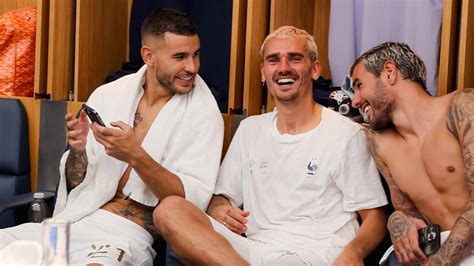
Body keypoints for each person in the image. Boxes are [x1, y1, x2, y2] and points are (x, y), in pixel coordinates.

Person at [0, 8, 224, 265]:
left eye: (196, 55)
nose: (192, 67)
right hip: (74, 220)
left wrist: (135, 155)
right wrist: (78, 150)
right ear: (148, 56)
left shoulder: (204, 115)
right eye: (180, 57)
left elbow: (189, 203)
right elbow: (75, 182)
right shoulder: (109, 95)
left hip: (124, 235)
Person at [153, 25, 388, 265]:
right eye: (273, 60)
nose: (283, 68)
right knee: (170, 209)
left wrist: (354, 252)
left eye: (295, 59)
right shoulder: (250, 129)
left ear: (315, 69)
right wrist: (221, 211)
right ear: (263, 73)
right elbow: (221, 199)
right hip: (253, 251)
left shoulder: (346, 133)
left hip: (317, 252)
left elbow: (375, 218)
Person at [350, 42, 474, 265]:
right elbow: (409, 212)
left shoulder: (464, 107)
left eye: (359, 85)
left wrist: (440, 262)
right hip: (435, 250)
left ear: (389, 73)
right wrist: (398, 221)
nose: (355, 101)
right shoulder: (379, 142)